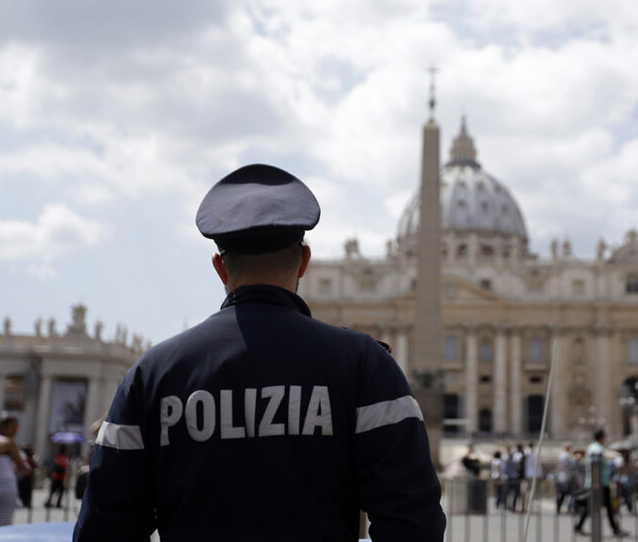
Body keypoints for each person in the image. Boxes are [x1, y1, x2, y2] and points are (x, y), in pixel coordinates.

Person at [74, 164, 445, 541]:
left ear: (220, 267)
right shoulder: (364, 365)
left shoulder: (150, 375)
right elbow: (414, 523)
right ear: (304, 261)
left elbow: (103, 530)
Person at [574, 429, 627, 537]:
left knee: (593, 506)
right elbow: (596, 466)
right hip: (599, 483)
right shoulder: (596, 449)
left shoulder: (594, 448)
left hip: (598, 482)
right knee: (608, 507)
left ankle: (579, 526)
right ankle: (615, 529)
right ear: (601, 438)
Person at [0, 414, 30, 527]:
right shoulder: (8, 442)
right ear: (3, 427)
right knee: (4, 528)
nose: (16, 431)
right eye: (13, 427)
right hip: (5, 488)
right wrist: (27, 467)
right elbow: (23, 467)